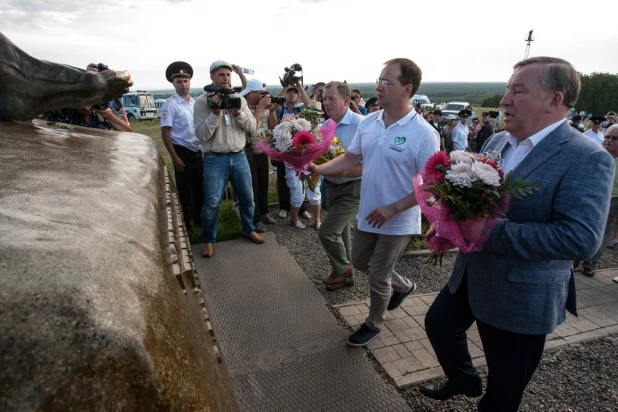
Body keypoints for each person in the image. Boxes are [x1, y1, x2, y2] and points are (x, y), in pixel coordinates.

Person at [420, 56, 614, 412]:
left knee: (503, 391)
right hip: (470, 274)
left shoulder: (587, 157)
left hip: (522, 294)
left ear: (555, 100)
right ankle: (463, 378)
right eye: (507, 89)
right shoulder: (497, 142)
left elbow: (581, 239)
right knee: (439, 325)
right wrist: (448, 223)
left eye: (518, 91)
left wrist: (488, 232)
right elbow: (472, 202)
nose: (504, 100)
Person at [310, 58, 439, 346]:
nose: (378, 86)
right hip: (369, 211)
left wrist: (394, 207)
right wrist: (319, 169)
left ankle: (373, 323)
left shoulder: (424, 134)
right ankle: (404, 285)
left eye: (386, 82)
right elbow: (350, 157)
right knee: (359, 261)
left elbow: (430, 187)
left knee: (378, 274)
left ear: (407, 89)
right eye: (379, 80)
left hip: (399, 217)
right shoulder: (369, 122)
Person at [194, 60, 264, 258]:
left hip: (239, 156)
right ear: (212, 78)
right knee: (212, 202)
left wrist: (237, 113)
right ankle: (208, 240)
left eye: (228, 75)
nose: (225, 78)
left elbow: (251, 127)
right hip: (215, 158)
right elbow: (201, 135)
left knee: (248, 198)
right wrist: (215, 114)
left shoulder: (238, 100)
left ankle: (248, 228)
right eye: (221, 75)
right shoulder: (202, 102)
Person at [317, 81, 364, 290]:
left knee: (327, 232)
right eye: (324, 98)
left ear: (346, 100)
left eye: (331, 98)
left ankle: (343, 270)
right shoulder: (324, 126)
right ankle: (347, 275)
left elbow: (371, 164)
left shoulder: (361, 125)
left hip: (353, 188)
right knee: (341, 231)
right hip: (331, 187)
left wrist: (343, 171)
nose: (326, 103)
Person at [159, 61, 203, 234]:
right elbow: (165, 133)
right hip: (182, 151)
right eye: (179, 81)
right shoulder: (169, 104)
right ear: (173, 83)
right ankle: (187, 225)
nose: (183, 85)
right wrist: (174, 157)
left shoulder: (194, 103)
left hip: (197, 150)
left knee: (200, 188)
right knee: (185, 191)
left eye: (186, 81)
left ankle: (200, 219)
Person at [574, 124, 618, 277]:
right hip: (588, 198)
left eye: (615, 138)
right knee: (580, 227)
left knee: (602, 231)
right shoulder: (592, 154)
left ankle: (589, 264)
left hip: (613, 200)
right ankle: (574, 259)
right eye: (607, 137)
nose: (609, 140)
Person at [44, 64, 133, 133]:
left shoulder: (104, 110)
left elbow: (129, 134)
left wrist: (109, 116)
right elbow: (35, 114)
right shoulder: (64, 110)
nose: (90, 104)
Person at [240, 79, 279, 233]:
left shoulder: (264, 107)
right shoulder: (243, 107)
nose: (264, 97)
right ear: (251, 93)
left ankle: (264, 212)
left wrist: (272, 110)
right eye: (260, 94)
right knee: (252, 187)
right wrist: (261, 108)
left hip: (263, 150)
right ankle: (255, 219)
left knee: (263, 184)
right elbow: (249, 127)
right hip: (248, 151)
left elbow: (273, 126)